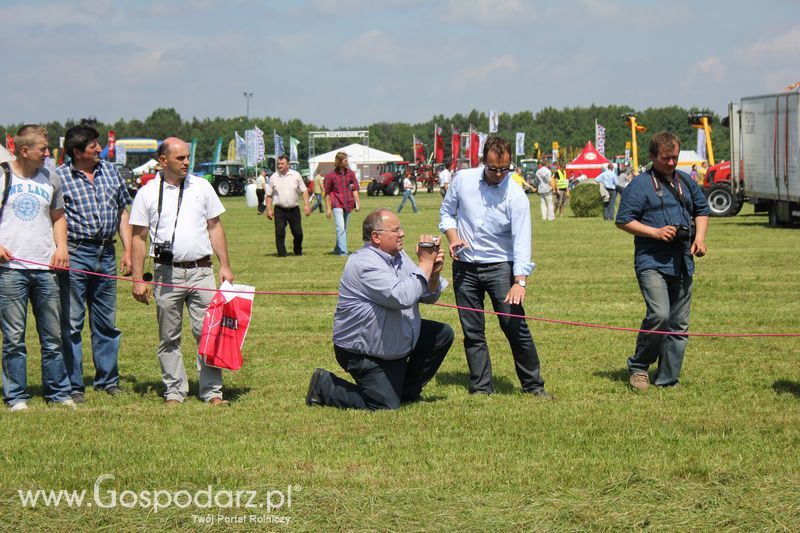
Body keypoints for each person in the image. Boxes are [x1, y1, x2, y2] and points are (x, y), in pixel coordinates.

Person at [306, 210, 453, 410]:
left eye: (400, 229)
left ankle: (407, 393)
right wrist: (425, 263)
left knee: (441, 334)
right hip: (364, 352)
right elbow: (402, 297)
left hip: (392, 339)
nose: (402, 234)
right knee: (384, 405)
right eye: (396, 230)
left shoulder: (398, 256)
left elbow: (427, 296)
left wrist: (433, 274)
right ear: (376, 237)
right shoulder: (364, 263)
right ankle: (324, 385)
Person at [439, 136, 551, 398]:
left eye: (505, 168)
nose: (499, 174)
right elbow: (446, 213)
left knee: (514, 326)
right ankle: (480, 388)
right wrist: (453, 238)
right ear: (482, 162)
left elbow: (521, 240)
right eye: (493, 168)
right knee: (472, 330)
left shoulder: (515, 196)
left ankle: (533, 385)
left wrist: (519, 281)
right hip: (465, 267)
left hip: (501, 267)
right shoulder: (463, 181)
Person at [130, 137, 234, 406]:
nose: (187, 162)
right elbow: (138, 237)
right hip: (166, 274)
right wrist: (137, 278)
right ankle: (174, 391)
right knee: (169, 336)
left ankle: (212, 391)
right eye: (180, 158)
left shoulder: (202, 187)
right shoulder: (147, 193)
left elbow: (215, 226)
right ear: (163, 161)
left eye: (188, 157)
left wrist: (224, 265)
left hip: (202, 271)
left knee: (208, 333)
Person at [615, 131, 710, 390]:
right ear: (653, 156)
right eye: (666, 158)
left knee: (678, 323)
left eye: (675, 158)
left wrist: (699, 238)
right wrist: (655, 232)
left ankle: (668, 378)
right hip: (651, 262)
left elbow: (702, 210)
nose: (671, 163)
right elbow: (623, 220)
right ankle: (639, 367)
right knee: (659, 314)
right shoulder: (640, 185)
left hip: (683, 260)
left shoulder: (686, 182)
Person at [55, 125, 132, 403]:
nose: (99, 149)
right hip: (75, 254)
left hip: (106, 253)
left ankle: (108, 380)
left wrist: (127, 250)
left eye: (98, 144)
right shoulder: (59, 177)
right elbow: (56, 218)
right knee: (72, 323)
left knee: (106, 322)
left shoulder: (110, 171)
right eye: (92, 146)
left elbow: (122, 211)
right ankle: (74, 385)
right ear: (77, 152)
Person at [0, 125, 75, 410]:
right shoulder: (3, 175)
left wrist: (62, 247)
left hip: (46, 270)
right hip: (10, 271)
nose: (48, 153)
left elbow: (58, 217)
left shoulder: (51, 178)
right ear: (24, 151)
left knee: (53, 336)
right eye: (42, 149)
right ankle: (16, 396)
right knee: (14, 338)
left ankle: (58, 393)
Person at [266, 155, 311, 257]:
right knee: (280, 231)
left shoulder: (296, 175)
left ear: (288, 165)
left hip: (294, 209)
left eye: (282, 163)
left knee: (298, 233)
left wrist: (307, 205)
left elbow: (304, 191)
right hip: (279, 209)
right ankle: (282, 254)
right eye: (278, 164)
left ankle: (297, 249)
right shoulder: (274, 177)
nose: (279, 165)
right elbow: (269, 195)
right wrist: (268, 209)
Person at [324, 152, 360, 256]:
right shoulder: (331, 175)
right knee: (340, 228)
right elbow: (326, 193)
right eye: (345, 160)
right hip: (336, 203)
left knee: (344, 229)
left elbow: (355, 189)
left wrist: (358, 203)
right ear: (339, 162)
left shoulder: (351, 174)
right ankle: (343, 252)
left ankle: (337, 248)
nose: (347, 162)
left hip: (348, 203)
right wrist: (328, 209)